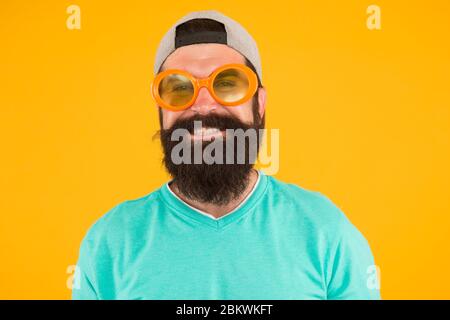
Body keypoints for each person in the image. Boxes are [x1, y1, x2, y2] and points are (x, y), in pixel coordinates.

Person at [72, 10, 380, 300]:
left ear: (259, 104)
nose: (203, 105)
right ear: (161, 110)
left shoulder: (326, 231)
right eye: (179, 88)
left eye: (228, 84)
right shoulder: (109, 243)